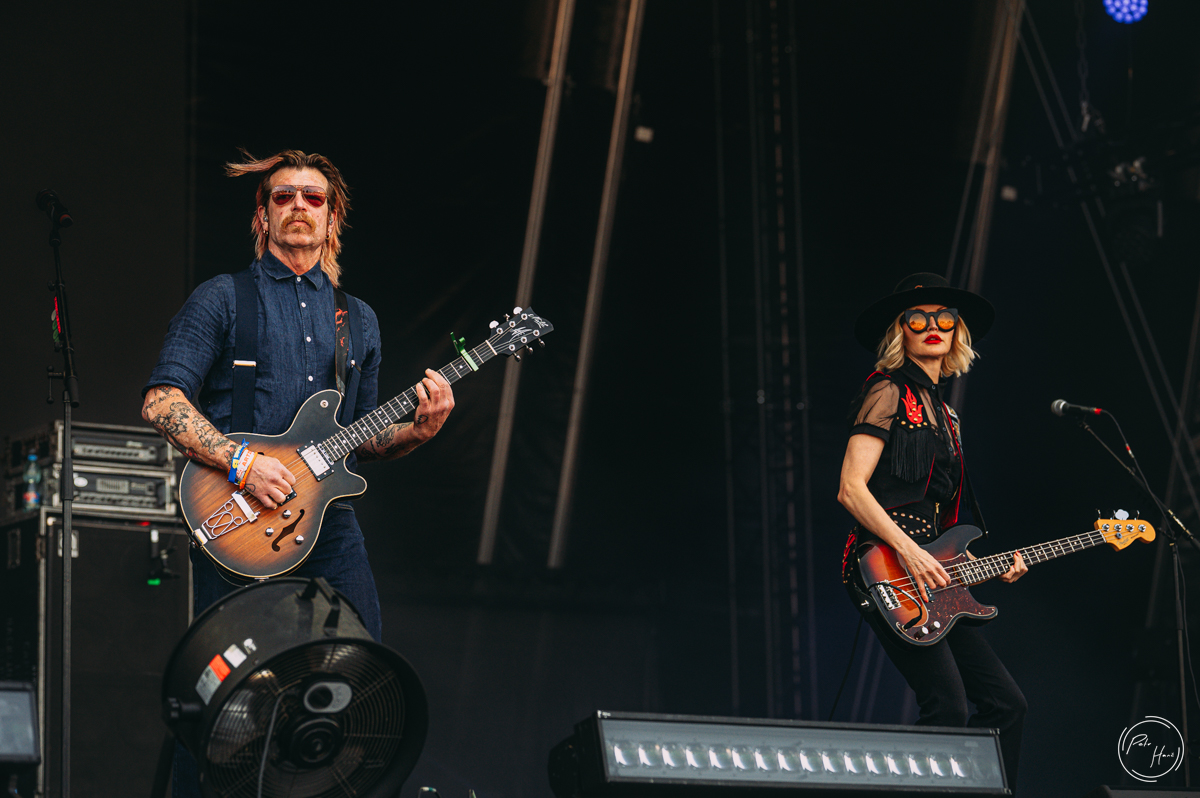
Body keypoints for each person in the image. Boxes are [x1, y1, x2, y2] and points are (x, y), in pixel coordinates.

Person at [141, 149, 454, 795]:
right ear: (262, 216)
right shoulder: (223, 298)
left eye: (314, 198)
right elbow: (162, 402)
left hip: (327, 526)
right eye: (283, 197)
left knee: (361, 677)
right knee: (220, 701)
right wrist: (243, 462)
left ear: (333, 218)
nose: (299, 207)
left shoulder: (356, 319)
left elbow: (361, 438)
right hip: (238, 523)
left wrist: (416, 433)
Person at [837, 272, 1027, 790]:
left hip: (933, 569)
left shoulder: (946, 415)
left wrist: (981, 566)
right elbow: (851, 489)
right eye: (917, 318)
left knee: (1006, 704)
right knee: (946, 706)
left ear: (957, 331)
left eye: (944, 317)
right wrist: (910, 552)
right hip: (886, 563)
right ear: (900, 330)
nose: (933, 325)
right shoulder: (887, 391)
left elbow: (942, 520)